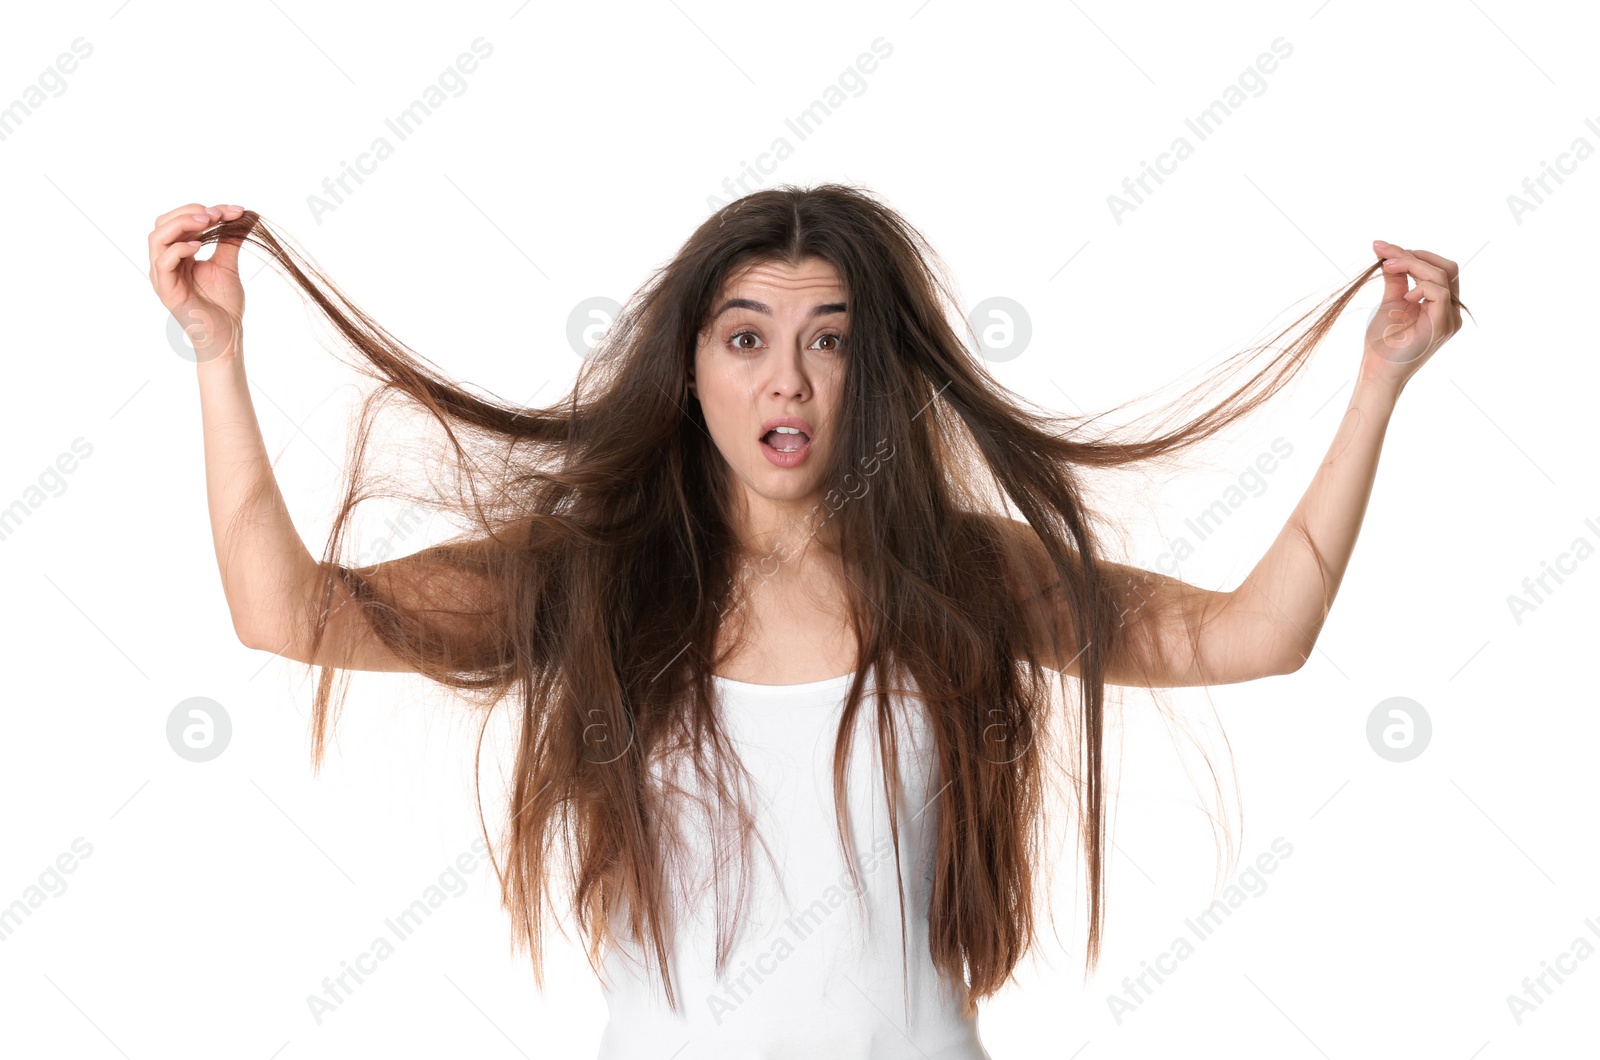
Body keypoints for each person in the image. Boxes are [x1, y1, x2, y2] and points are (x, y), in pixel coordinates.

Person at [146, 185, 1465, 1058]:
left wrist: (1378, 388)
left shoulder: (962, 575)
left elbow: (1254, 634)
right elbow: (286, 610)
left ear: (874, 376)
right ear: (691, 372)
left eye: (830, 341)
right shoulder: (592, 578)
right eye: (745, 338)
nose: (787, 376)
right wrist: (217, 357)